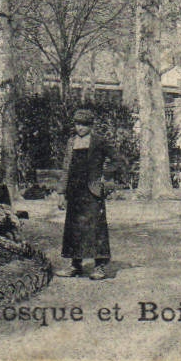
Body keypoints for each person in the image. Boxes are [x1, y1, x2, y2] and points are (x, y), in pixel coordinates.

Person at [57, 106, 111, 279]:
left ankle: (100, 266)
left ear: (91, 125)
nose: (80, 128)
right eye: (78, 124)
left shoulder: (99, 141)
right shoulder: (71, 142)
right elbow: (66, 168)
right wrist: (61, 192)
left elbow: (119, 161)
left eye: (84, 125)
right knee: (74, 228)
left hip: (93, 191)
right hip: (74, 191)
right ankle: (75, 265)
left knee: (96, 228)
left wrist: (106, 181)